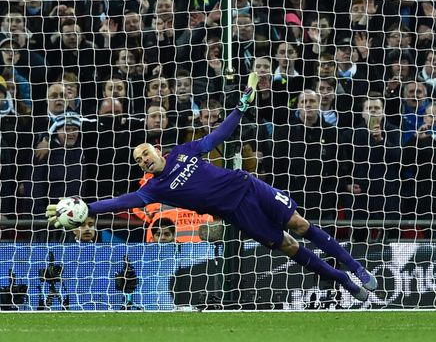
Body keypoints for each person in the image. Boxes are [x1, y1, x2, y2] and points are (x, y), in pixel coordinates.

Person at [47, 82, 377, 301]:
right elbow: (119, 201)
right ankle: (343, 280)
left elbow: (216, 137)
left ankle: (357, 268)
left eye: (146, 153)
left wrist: (239, 110)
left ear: (157, 151)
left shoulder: (184, 151)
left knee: (301, 225)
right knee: (289, 247)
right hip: (237, 213)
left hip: (248, 186)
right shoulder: (154, 189)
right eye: (138, 160)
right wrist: (88, 208)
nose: (144, 160)